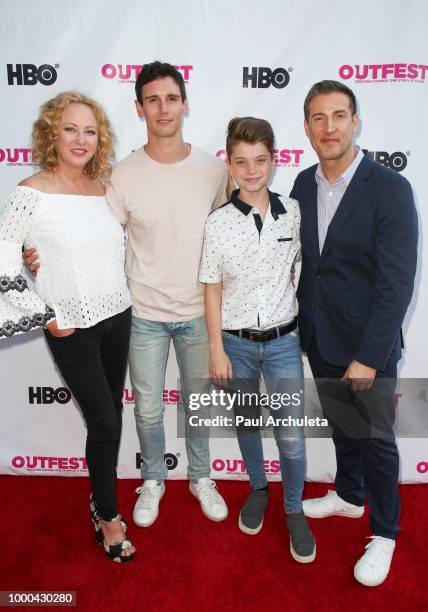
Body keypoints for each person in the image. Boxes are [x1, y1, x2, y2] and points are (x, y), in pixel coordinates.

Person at [290, 80, 418, 585]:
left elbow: (397, 282)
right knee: (343, 426)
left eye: (338, 116)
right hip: (320, 335)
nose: (329, 127)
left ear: (355, 121)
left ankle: (385, 531)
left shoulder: (389, 188)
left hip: (370, 346)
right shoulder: (302, 184)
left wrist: (370, 355)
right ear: (306, 127)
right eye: (318, 118)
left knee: (377, 440)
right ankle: (348, 495)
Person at [0, 91, 136, 563]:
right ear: (51, 134)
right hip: (70, 328)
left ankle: (100, 499)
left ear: (100, 139)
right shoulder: (29, 192)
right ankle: (108, 516)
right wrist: (46, 315)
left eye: (90, 131)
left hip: (118, 316)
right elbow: (3, 257)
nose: (81, 139)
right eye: (71, 129)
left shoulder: (103, 188)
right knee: (103, 421)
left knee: (112, 417)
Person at [106, 61, 229, 526]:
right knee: (150, 409)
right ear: (139, 108)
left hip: (200, 313)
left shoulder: (213, 170)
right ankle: (153, 478)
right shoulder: (123, 175)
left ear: (185, 103)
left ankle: (200, 476)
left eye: (171, 98)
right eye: (153, 99)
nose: (163, 107)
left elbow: (229, 236)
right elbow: (98, 238)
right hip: (144, 314)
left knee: (198, 405)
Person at [199, 117, 316, 563]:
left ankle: (294, 509)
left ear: (274, 160)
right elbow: (211, 287)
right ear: (229, 165)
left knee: (291, 436)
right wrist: (216, 347)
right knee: (248, 426)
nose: (252, 170)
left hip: (285, 342)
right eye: (242, 162)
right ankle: (258, 489)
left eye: (260, 161)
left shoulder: (294, 211)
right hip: (237, 345)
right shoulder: (218, 223)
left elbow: (303, 271)